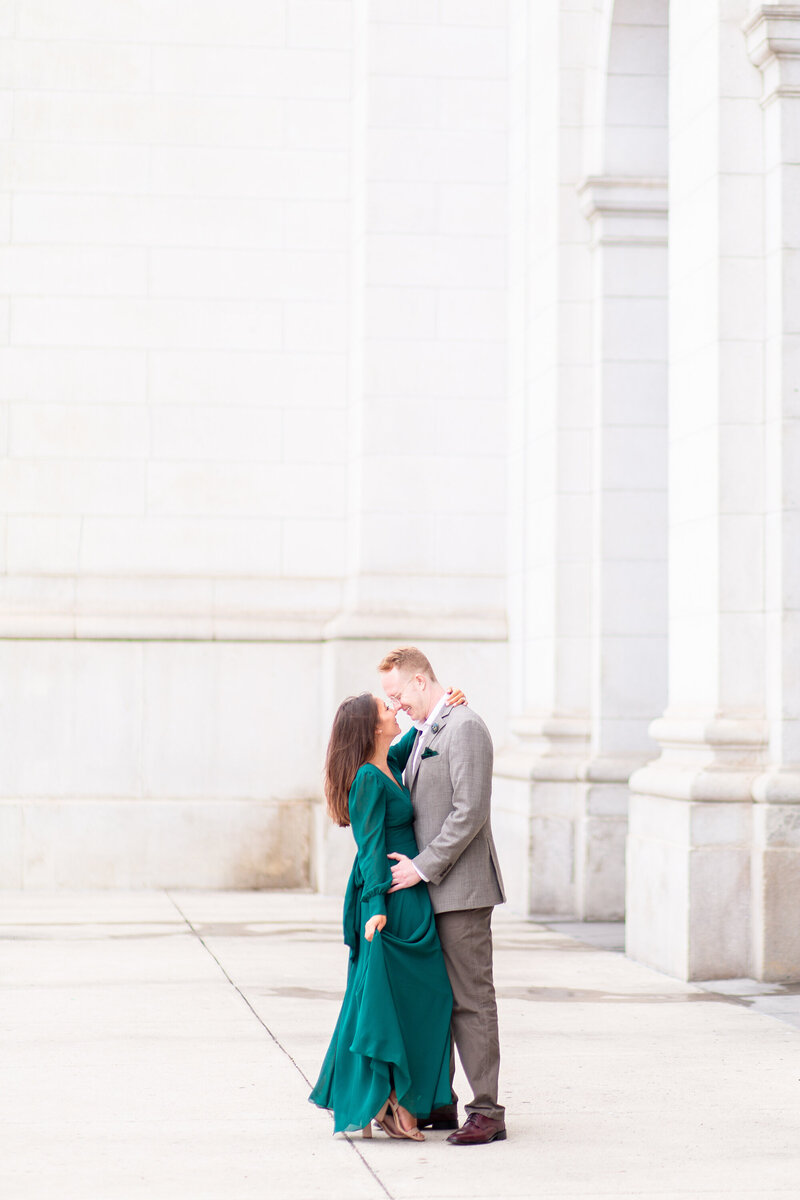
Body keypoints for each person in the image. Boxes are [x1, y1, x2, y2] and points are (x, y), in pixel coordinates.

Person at [309, 688, 466, 1139]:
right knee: (382, 1001)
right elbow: (370, 847)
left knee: (425, 997)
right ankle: (390, 1099)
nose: (393, 708)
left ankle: (398, 1097)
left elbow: (419, 733)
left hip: (411, 891)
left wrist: (445, 705)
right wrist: (376, 907)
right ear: (372, 727)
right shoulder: (366, 779)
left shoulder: (390, 763)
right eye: (385, 708)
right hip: (389, 899)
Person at [378, 646, 506, 1146]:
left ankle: (488, 1111)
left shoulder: (466, 726)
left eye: (397, 695)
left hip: (461, 889)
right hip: (431, 890)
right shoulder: (428, 729)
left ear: (419, 681)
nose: (395, 707)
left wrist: (421, 867)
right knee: (439, 1002)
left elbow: (470, 811)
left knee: (472, 1001)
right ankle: (442, 1103)